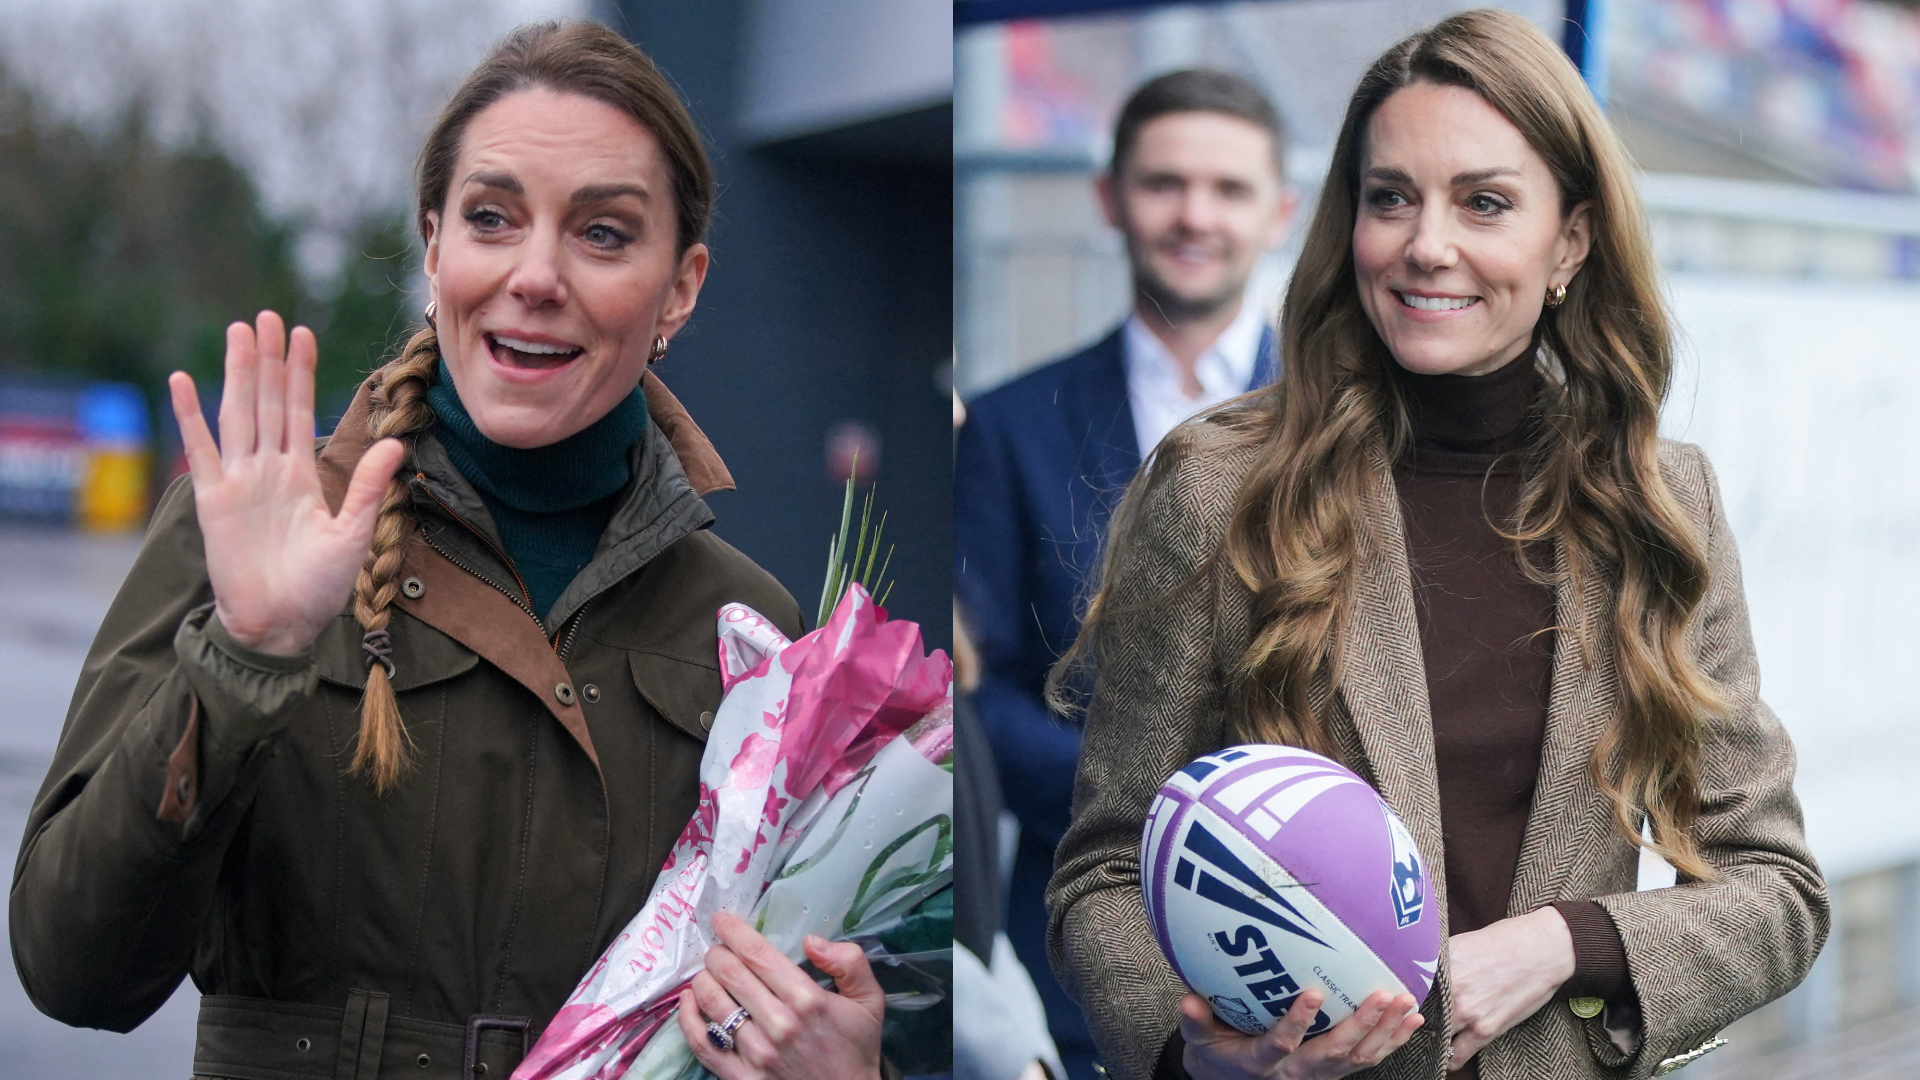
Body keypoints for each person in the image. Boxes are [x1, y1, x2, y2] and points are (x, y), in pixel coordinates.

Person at [11, 22, 897, 1080]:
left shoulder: (751, 630)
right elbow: (74, 973)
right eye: (490, 218)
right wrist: (248, 657)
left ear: (682, 286)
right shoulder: (257, 528)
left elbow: (783, 996)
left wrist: (847, 1067)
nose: (533, 275)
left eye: (603, 234)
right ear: (433, 248)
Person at [1045, 11, 1827, 1080]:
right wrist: (1202, 1065)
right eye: (1391, 197)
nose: (1427, 243)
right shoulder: (1225, 485)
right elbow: (1104, 873)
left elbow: (1776, 889)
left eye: (1486, 202)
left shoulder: (1659, 501)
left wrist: (1565, 944)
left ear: (1571, 242)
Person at [955, 68, 1296, 1080]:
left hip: (1311, 949)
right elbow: (983, 693)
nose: (1195, 215)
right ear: (1111, 199)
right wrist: (1166, 812)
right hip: (1082, 954)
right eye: (1164, 184)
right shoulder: (1012, 427)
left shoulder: (1347, 430)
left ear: (1278, 213)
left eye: (1229, 189)